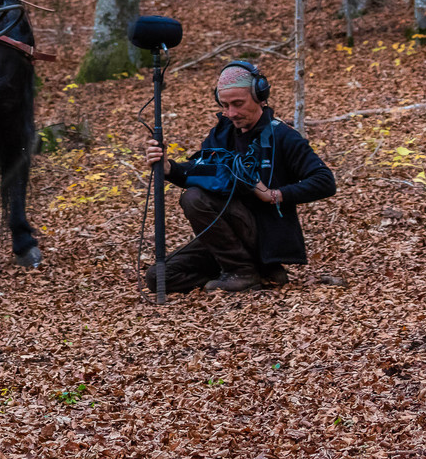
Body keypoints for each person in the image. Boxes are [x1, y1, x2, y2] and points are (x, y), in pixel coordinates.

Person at [144, 60, 336, 293]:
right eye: (225, 105)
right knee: (159, 278)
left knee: (193, 198)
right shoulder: (222, 132)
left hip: (265, 235)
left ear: (260, 96)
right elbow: (203, 172)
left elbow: (324, 181)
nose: (231, 113)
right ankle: (251, 272)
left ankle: (243, 273)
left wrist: (273, 195)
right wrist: (168, 168)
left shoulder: (283, 136)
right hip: (225, 236)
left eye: (238, 104)